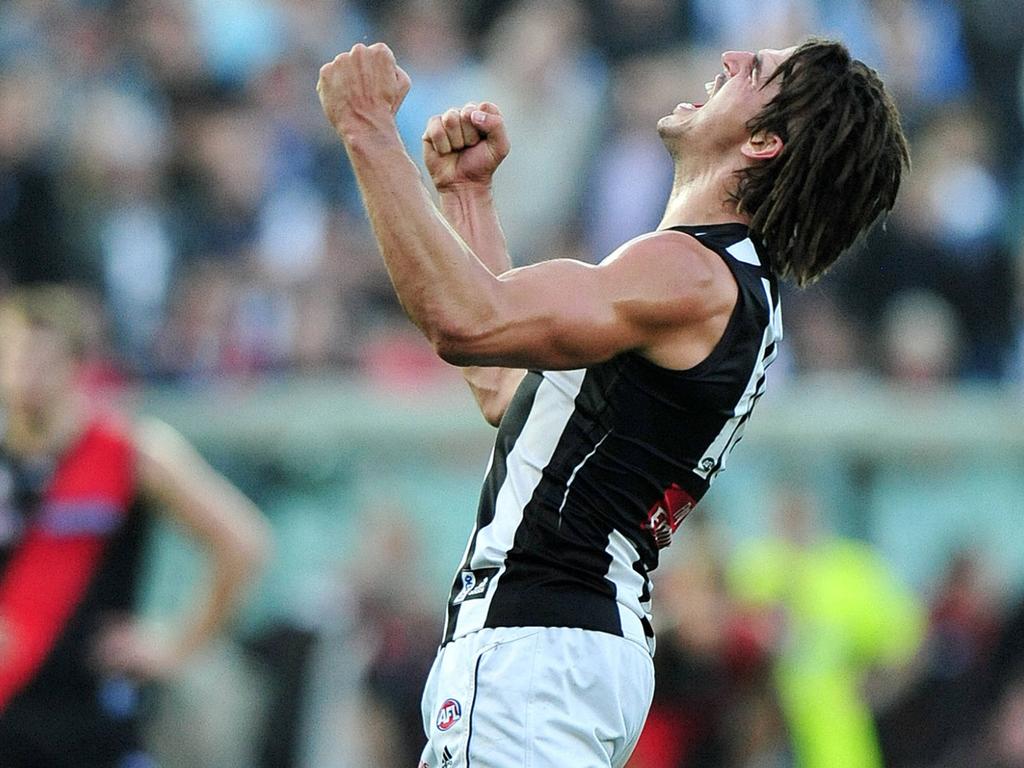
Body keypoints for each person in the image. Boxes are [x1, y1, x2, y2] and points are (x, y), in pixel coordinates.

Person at [316, 36, 908, 768]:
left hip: (536, 650)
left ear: (763, 141)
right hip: (573, 651)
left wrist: (369, 130)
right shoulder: (727, 287)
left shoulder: (690, 272)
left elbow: (465, 321)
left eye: (754, 71)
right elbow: (510, 390)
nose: (728, 59)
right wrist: (466, 200)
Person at [0, 284, 271, 767]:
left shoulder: (129, 454)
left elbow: (243, 543)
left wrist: (175, 645)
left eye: (43, 358)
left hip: (91, 721)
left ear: (77, 367)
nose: (26, 373)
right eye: (16, 356)